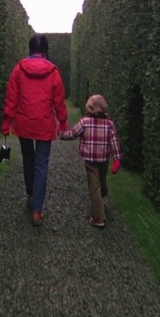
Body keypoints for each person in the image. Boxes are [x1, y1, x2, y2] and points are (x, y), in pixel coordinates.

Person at [2, 34, 68, 226]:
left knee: (28, 160)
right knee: (41, 165)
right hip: (44, 124)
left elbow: (11, 97)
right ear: (45, 50)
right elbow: (59, 100)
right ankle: (37, 211)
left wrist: (7, 121)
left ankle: (30, 194)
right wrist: (62, 121)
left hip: (24, 123)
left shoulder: (18, 70)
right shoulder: (53, 71)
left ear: (30, 49)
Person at [59, 94, 122, 228]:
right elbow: (114, 141)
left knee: (94, 186)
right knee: (101, 180)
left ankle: (99, 218)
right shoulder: (109, 124)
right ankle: (102, 194)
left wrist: (61, 134)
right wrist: (117, 159)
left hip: (90, 159)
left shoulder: (85, 122)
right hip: (104, 158)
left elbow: (72, 134)